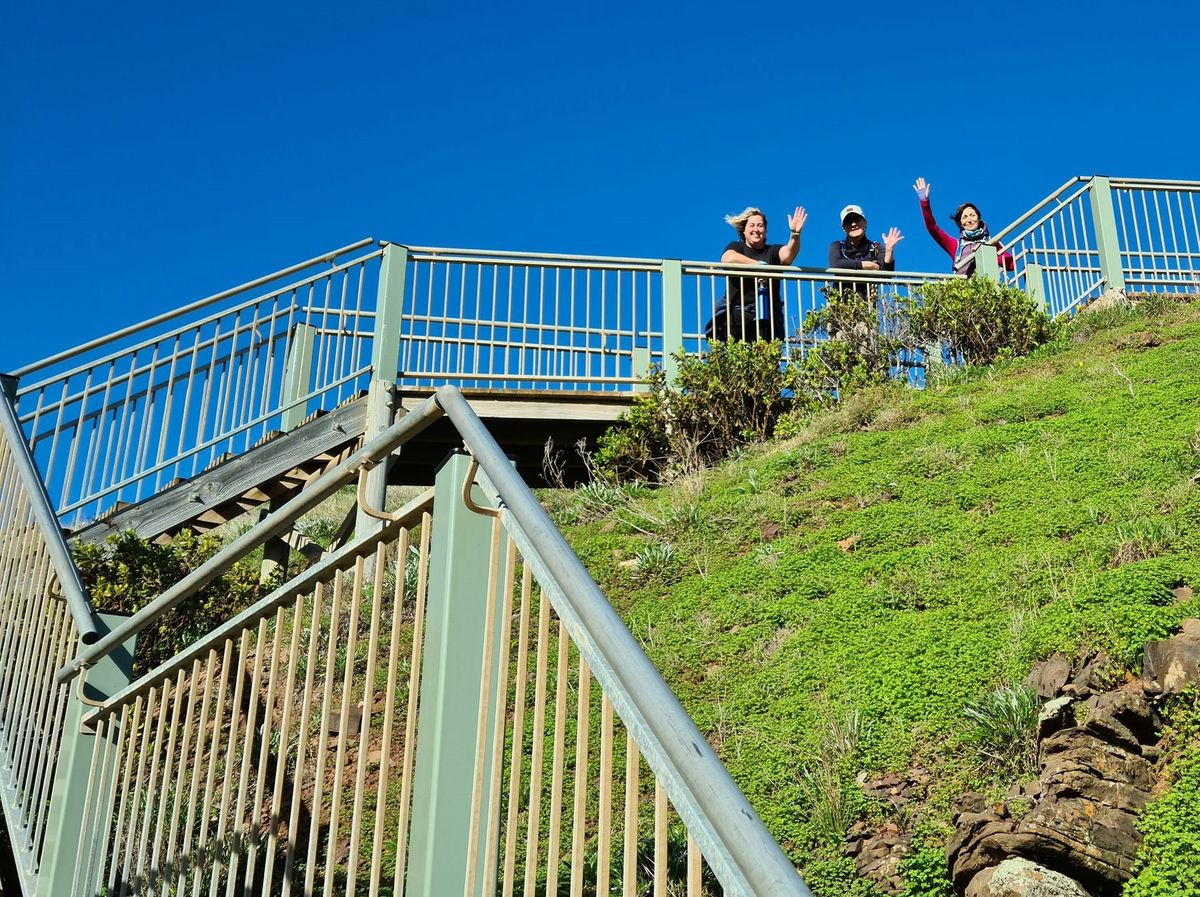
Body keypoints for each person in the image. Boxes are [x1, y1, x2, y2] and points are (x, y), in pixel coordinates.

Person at [707, 205, 807, 342]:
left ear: (765, 231)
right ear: (744, 230)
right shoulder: (737, 247)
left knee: (766, 358)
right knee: (736, 357)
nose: (756, 229)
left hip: (768, 317)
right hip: (737, 315)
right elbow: (728, 258)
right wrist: (760, 266)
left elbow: (788, 254)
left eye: (760, 226)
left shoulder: (772, 251)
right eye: (752, 225)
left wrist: (795, 234)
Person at [912, 177, 1013, 275]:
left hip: (988, 289)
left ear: (978, 218)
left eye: (972, 215)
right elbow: (932, 228)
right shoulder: (956, 246)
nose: (969, 220)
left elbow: (1010, 265)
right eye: (964, 217)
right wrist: (924, 202)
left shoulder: (990, 242)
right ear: (960, 223)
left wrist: (992, 248)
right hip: (964, 290)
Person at [827, 205, 902, 296]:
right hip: (841, 305)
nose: (853, 224)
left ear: (865, 222)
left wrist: (889, 250)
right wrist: (865, 265)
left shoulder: (875, 248)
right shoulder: (838, 246)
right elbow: (835, 265)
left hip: (867, 305)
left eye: (857, 220)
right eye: (848, 222)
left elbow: (886, 276)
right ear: (843, 228)